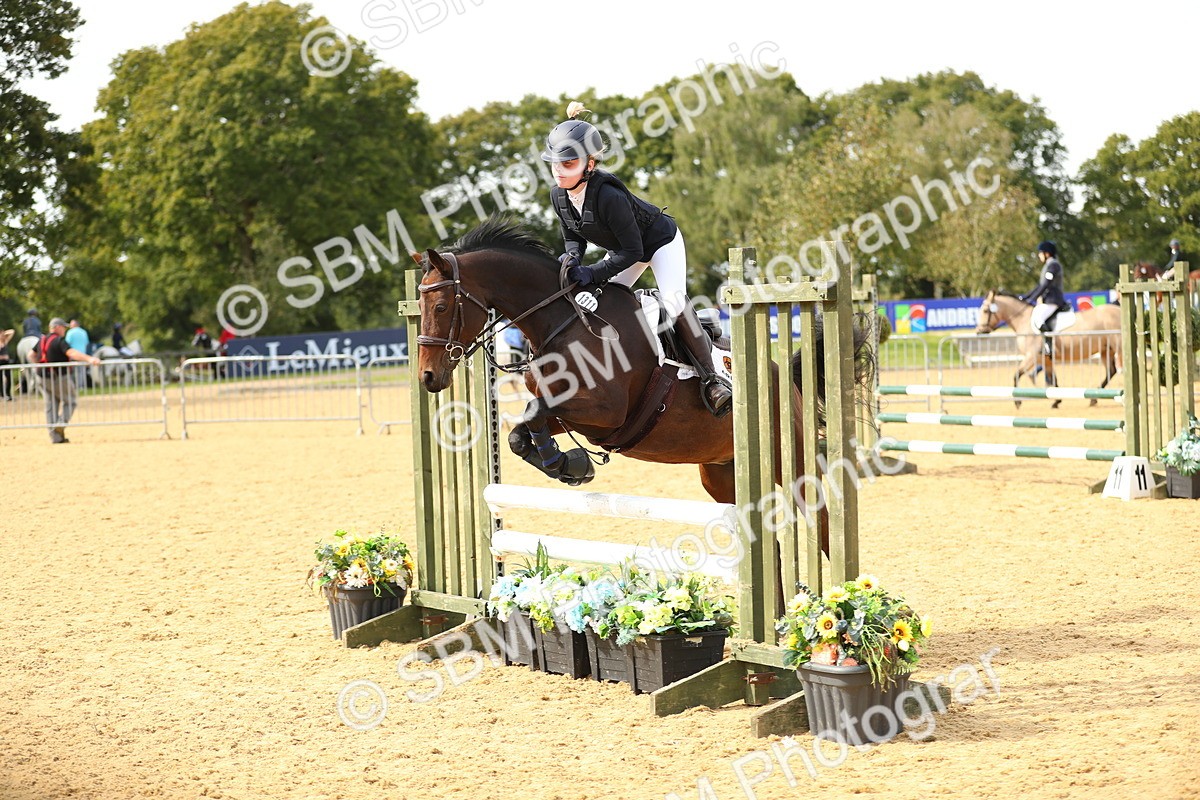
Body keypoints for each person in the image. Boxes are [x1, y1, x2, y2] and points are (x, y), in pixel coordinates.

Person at [541, 102, 732, 418]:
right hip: (625, 251)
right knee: (596, 302)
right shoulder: (558, 195)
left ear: (590, 164)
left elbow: (632, 251)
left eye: (569, 163)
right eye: (555, 164)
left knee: (671, 299)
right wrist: (573, 258)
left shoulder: (609, 196)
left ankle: (711, 378)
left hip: (658, 243)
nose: (559, 170)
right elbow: (573, 236)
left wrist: (595, 271)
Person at [38, 317, 102, 443]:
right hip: (59, 377)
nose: (64, 331)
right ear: (57, 327)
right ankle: (60, 424)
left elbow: (31, 354)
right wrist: (89, 359)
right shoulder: (59, 340)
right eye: (63, 327)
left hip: (42, 377)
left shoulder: (42, 340)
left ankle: (55, 437)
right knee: (71, 401)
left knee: (51, 405)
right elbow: (71, 353)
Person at [1019, 241, 1070, 356]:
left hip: (1053, 300)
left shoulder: (1053, 265)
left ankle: (1049, 346)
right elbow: (1040, 285)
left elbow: (1046, 284)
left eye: (1041, 253)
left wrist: (1032, 298)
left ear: (1047, 254)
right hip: (1048, 300)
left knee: (1038, 319)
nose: (1039, 255)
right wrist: (1025, 297)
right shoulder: (1048, 266)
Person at [65, 319, 91, 389]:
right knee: (81, 372)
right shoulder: (84, 332)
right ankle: (81, 386)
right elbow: (86, 343)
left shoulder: (70, 332)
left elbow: (67, 343)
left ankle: (73, 386)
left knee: (72, 372)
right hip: (82, 355)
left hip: (73, 355)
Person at [0, 328, 14, 400]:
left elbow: (12, 331)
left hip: (6, 362)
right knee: (0, 380)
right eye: (1, 334)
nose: (2, 336)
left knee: (8, 378)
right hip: (1, 362)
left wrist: (4, 333)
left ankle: (8, 394)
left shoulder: (5, 341)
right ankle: (2, 394)